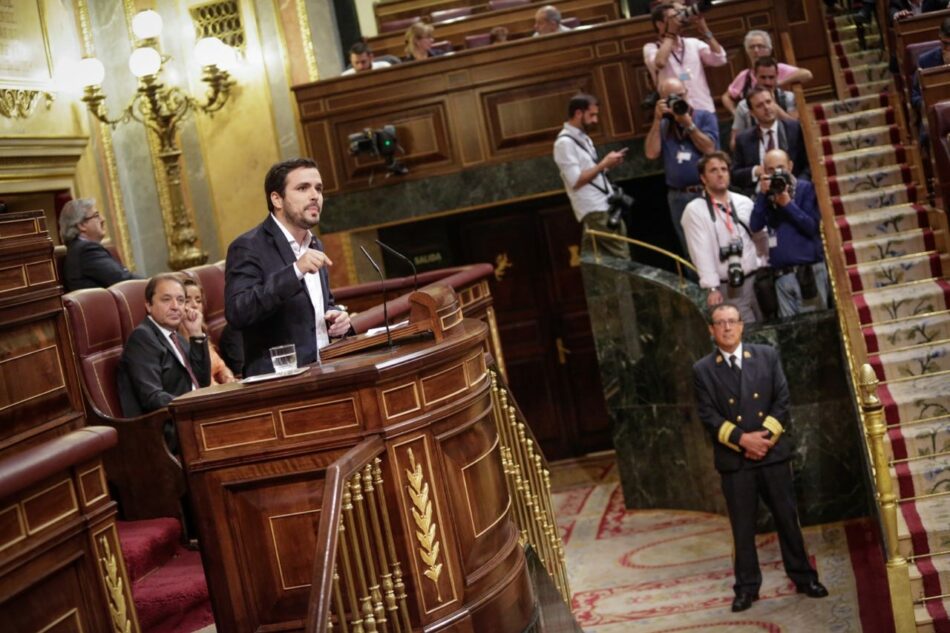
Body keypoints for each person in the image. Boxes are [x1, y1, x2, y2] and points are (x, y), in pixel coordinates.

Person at [692, 302, 828, 612]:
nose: (727, 327)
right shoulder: (702, 370)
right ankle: (746, 588)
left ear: (742, 326)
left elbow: (782, 399)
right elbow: (708, 416)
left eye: (732, 321)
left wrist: (762, 440)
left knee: (787, 520)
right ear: (711, 331)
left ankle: (804, 577)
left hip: (771, 454)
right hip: (736, 461)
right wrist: (744, 441)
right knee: (742, 529)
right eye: (720, 323)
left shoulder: (766, 356)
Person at [225, 158, 352, 377]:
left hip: (325, 371)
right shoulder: (248, 246)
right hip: (280, 383)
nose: (315, 196)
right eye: (303, 188)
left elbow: (321, 304)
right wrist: (296, 270)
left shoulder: (314, 243)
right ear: (277, 199)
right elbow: (238, 311)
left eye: (318, 188)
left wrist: (337, 316)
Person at [681, 152, 766, 323]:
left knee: (765, 328)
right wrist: (712, 287)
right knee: (746, 332)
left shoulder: (744, 202)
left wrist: (763, 262)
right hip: (727, 287)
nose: (720, 174)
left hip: (756, 280)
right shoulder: (695, 210)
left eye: (724, 169)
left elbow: (759, 236)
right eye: (713, 170)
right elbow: (700, 252)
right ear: (703, 178)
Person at [116, 273, 211, 418]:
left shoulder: (176, 337)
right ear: (148, 305)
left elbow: (202, 382)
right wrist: (194, 404)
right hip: (167, 426)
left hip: (191, 416)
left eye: (180, 300)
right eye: (166, 300)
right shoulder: (143, 338)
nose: (175, 307)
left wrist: (196, 333)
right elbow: (152, 397)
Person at [644, 77, 719, 256]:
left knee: (715, 242)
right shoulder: (663, 125)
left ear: (687, 93)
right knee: (690, 249)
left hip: (706, 192)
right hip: (678, 197)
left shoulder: (704, 116)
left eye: (680, 95)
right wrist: (656, 120)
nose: (677, 101)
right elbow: (651, 153)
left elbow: (710, 149)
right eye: (671, 98)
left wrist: (689, 124)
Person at [750, 149, 829, 317]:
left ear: (790, 166)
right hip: (781, 277)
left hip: (809, 274)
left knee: (817, 329)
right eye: (771, 170)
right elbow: (755, 225)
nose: (777, 173)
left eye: (781, 168)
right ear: (764, 171)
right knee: (792, 336)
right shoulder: (766, 195)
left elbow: (812, 227)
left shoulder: (806, 189)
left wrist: (788, 205)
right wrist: (763, 196)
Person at [553, 93, 631, 260]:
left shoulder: (583, 138)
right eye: (592, 115)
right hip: (595, 208)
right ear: (578, 113)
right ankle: (627, 288)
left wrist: (607, 166)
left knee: (595, 264)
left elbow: (591, 174)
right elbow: (575, 180)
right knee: (621, 259)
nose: (595, 120)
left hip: (603, 204)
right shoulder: (564, 143)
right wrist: (603, 164)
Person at [643, 3, 727, 114]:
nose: (678, 20)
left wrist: (706, 31)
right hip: (675, 113)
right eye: (672, 18)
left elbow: (720, 59)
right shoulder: (651, 48)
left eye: (678, 15)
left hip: (704, 109)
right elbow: (660, 62)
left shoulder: (693, 43)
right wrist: (670, 34)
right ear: (660, 24)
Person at [732, 86, 809, 197]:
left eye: (768, 102)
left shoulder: (795, 129)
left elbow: (809, 165)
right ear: (752, 113)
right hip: (760, 196)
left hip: (794, 193)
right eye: (759, 106)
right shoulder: (743, 139)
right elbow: (734, 175)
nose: (766, 107)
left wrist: (798, 186)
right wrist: (755, 171)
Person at [721, 30, 812, 115]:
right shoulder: (745, 75)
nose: (756, 51)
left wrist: (778, 83)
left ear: (769, 50)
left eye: (760, 46)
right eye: (752, 47)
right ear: (747, 51)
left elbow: (807, 74)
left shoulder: (779, 68)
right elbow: (726, 97)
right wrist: (736, 114)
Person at [59, 198, 140, 292]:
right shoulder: (86, 251)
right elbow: (122, 279)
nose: (103, 219)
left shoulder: (78, 248)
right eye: (96, 215)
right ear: (82, 225)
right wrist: (152, 284)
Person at [178, 275, 238, 384]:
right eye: (187, 300)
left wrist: (226, 376)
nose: (195, 305)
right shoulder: (175, 340)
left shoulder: (202, 334)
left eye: (198, 300)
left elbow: (220, 366)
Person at [730, 56, 798, 151]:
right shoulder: (743, 106)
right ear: (755, 76)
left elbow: (797, 129)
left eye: (771, 77)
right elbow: (734, 144)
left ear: (777, 75)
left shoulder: (788, 97)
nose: (767, 82)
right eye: (763, 77)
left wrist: (774, 106)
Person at [910, 17, 950, 113]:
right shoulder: (925, 61)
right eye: (945, 43)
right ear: (940, 37)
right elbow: (915, 98)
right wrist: (930, 105)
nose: (948, 48)